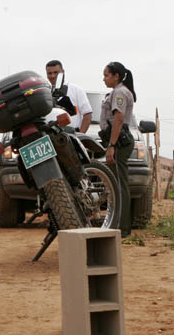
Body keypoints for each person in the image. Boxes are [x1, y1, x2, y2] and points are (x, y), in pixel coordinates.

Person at [100, 61, 136, 238]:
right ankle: (121, 225)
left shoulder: (120, 92)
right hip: (118, 139)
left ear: (116, 76)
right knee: (117, 183)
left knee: (120, 184)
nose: (104, 78)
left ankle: (122, 227)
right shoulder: (117, 92)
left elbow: (118, 119)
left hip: (120, 141)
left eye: (107, 75)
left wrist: (112, 146)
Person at [45, 60, 93, 133]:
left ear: (63, 72)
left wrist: (80, 136)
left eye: (56, 72)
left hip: (72, 135)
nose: (53, 76)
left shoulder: (76, 90)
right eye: (49, 73)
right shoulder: (45, 92)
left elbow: (87, 114)